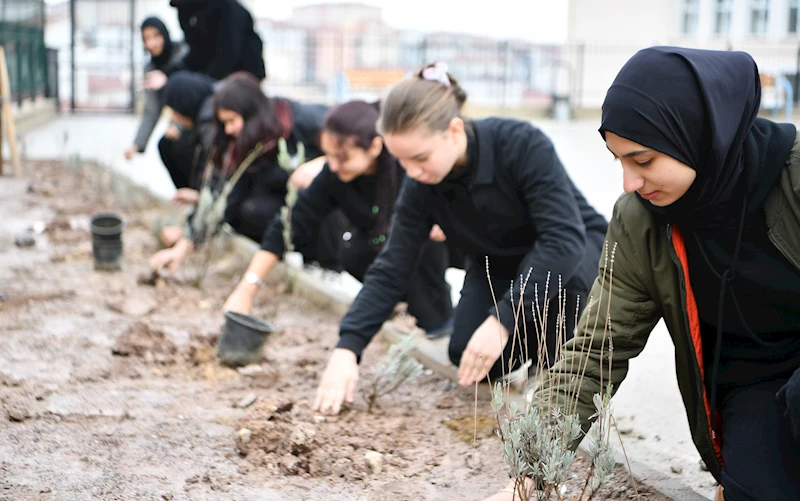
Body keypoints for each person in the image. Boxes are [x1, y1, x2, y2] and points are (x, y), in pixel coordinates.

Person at [483, 47, 800, 501]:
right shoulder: (639, 219)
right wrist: (531, 471)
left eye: (644, 160)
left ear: (697, 134)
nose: (629, 182)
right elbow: (595, 349)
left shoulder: (793, 175)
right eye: (619, 161)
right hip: (755, 385)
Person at [313, 62, 608, 416]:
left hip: (573, 253)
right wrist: (348, 347)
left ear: (453, 131)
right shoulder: (421, 184)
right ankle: (536, 342)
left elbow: (563, 240)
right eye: (402, 162)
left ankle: (554, 367)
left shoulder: (521, 144)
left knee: (562, 290)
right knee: (467, 352)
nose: (413, 173)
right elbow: (392, 266)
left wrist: (504, 320)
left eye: (420, 158)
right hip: (499, 262)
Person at [223, 100, 454, 338]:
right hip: (379, 251)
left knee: (424, 250)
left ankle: (438, 323)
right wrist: (247, 288)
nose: (333, 165)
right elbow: (290, 223)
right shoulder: (334, 174)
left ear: (375, 146)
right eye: (328, 156)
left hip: (426, 253)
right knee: (353, 251)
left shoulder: (404, 169)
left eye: (342, 157)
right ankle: (391, 306)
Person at [149, 72, 344, 274]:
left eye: (232, 120)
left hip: (332, 210)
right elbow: (226, 196)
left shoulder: (302, 121)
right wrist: (182, 247)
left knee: (317, 190)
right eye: (224, 123)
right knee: (248, 210)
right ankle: (275, 257)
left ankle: (327, 268)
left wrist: (323, 162)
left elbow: (357, 134)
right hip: (288, 204)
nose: (229, 129)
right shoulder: (250, 144)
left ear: (250, 112)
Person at [149, 0, 265, 84]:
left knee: (179, 86)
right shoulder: (186, 8)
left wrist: (202, 83)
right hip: (212, 76)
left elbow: (228, 55)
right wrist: (167, 74)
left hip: (241, 80)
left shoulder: (225, 6)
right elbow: (195, 54)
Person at [125, 17, 188, 161]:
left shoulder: (183, 54)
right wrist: (137, 144)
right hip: (177, 123)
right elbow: (152, 109)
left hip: (194, 117)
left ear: (164, 34)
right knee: (165, 146)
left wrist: (178, 125)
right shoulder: (150, 68)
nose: (151, 43)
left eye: (156, 36)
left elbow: (189, 93)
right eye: (146, 39)